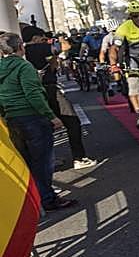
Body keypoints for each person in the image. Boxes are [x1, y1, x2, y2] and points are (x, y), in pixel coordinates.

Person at [0, 31, 76, 212]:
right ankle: (47, 198)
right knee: (42, 162)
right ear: (20, 47)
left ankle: (36, 199)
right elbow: (33, 94)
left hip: (12, 119)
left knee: (27, 161)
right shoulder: (24, 66)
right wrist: (51, 116)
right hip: (32, 117)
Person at [24, 31, 95, 169]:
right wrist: (61, 38)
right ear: (35, 38)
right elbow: (65, 47)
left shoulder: (23, 53)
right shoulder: (41, 47)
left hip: (30, 94)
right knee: (72, 121)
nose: (45, 41)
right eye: (43, 39)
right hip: (49, 90)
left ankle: (49, 160)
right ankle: (79, 157)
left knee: (43, 128)